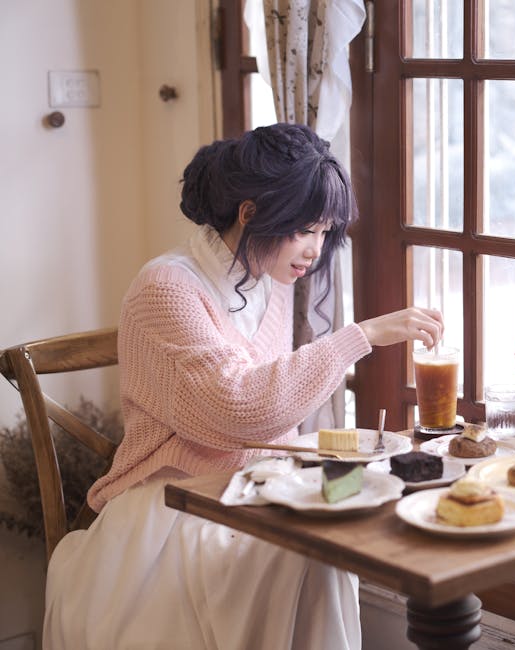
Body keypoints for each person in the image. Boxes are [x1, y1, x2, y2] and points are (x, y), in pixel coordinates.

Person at [42, 123, 444, 649]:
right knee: (308, 556)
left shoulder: (266, 279)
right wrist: (362, 336)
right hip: (174, 507)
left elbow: (268, 420)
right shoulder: (165, 288)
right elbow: (240, 410)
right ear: (250, 213)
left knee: (329, 541)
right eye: (304, 231)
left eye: (325, 233)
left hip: (252, 492)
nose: (314, 253)